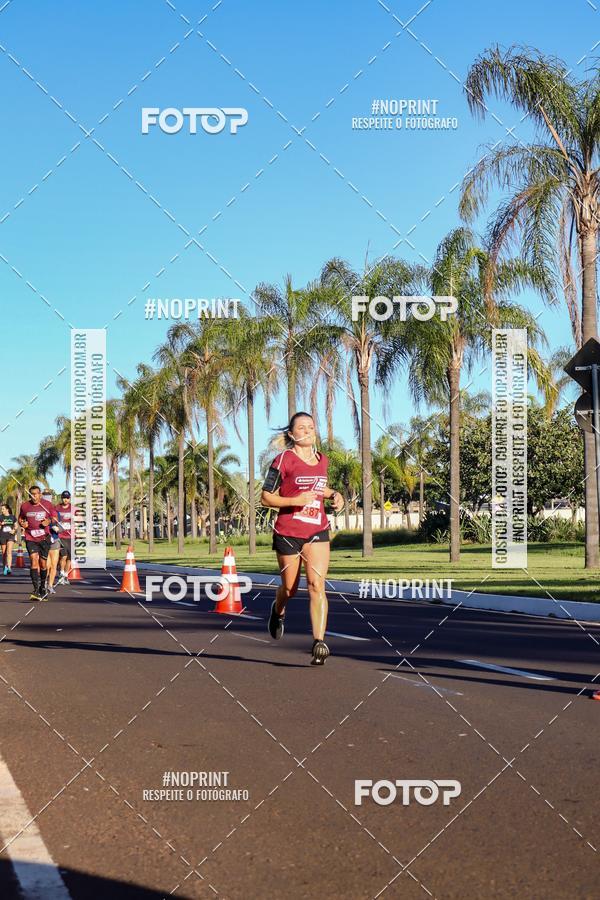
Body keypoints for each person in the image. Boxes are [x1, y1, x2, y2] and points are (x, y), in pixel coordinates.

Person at [260, 412, 344, 665]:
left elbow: (319, 487)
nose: (307, 431)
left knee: (317, 585)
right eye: (301, 427)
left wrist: (334, 494)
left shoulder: (323, 460)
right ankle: (278, 610)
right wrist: (294, 501)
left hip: (317, 530)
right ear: (291, 434)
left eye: (311, 427)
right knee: (290, 588)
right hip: (288, 532)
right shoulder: (283, 460)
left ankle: (319, 642)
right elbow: (266, 497)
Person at [18, 485, 57, 600]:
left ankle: (42, 587)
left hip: (44, 538)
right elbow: (21, 518)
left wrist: (48, 521)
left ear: (40, 494)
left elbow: (55, 518)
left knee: (43, 564)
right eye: (31, 494)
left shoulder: (47, 505)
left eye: (36, 494)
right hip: (30, 537)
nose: (34, 496)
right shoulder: (25, 506)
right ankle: (35, 590)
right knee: (33, 561)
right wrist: (22, 524)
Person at [56, 490, 73, 584]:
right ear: (61, 498)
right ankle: (61, 574)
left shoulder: (73, 509)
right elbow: (53, 518)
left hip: (71, 536)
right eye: (64, 498)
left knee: (70, 558)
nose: (65, 500)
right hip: (61, 536)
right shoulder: (57, 508)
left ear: (69, 499)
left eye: (67, 498)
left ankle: (66, 575)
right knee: (63, 556)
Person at [0, 504, 17, 575]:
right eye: (1, 509)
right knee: (4, 553)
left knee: (9, 552)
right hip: (3, 536)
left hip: (10, 535)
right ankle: (5, 568)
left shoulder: (12, 517)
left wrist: (14, 530)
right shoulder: (0, 517)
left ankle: (9, 568)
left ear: (7, 509)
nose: (2, 510)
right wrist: (1, 524)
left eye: (3, 509)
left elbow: (16, 525)